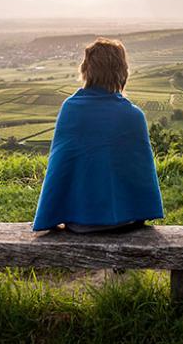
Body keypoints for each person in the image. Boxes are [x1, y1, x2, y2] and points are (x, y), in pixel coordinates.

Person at [31, 37, 165, 233]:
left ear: (86, 69)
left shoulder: (70, 109)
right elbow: (140, 175)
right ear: (121, 71)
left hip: (79, 222)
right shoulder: (133, 115)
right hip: (125, 220)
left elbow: (60, 166)